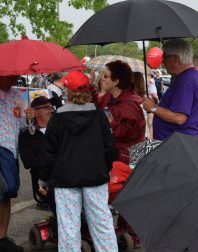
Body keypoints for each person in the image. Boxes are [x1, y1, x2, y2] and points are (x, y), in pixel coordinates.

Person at [38, 70, 117, 252]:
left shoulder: (57, 119)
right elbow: (110, 147)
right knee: (102, 224)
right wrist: (108, 168)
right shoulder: (98, 115)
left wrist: (43, 178)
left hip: (65, 180)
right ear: (88, 90)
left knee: (69, 228)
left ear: (67, 91)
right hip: (96, 177)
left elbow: (49, 153)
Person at [142, 39, 198, 140]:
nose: (163, 62)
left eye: (165, 57)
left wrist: (153, 108)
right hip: (181, 141)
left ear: (175, 58)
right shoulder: (190, 74)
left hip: (178, 145)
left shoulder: (185, 80)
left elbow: (179, 118)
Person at [99, 61, 146, 164]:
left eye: (106, 76)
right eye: (102, 75)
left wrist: (111, 122)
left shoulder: (129, 105)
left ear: (115, 82)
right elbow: (97, 106)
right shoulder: (110, 97)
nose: (102, 78)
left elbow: (130, 134)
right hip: (113, 154)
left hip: (125, 159)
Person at [0, 75, 25, 252]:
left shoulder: (18, 95)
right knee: (5, 189)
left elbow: (23, 125)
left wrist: (29, 117)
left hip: (12, 151)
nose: (15, 79)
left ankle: (2, 237)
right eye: (10, 76)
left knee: (8, 194)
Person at [18, 96, 54, 210]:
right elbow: (28, 162)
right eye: (47, 107)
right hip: (45, 182)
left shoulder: (60, 130)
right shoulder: (27, 136)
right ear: (35, 111)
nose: (52, 110)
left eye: (52, 107)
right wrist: (53, 160)